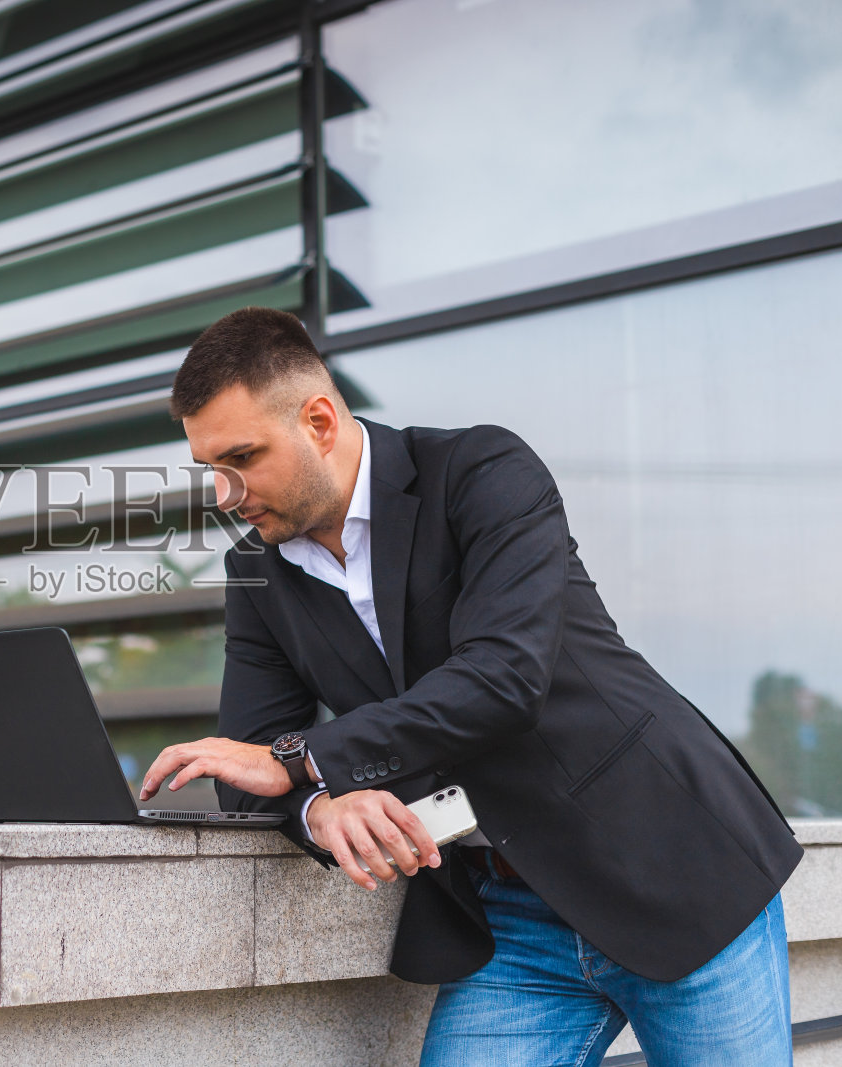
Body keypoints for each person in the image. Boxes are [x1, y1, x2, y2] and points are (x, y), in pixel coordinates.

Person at [138, 307, 801, 1066]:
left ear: (319, 420)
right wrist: (321, 805)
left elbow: (502, 679)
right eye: (210, 468)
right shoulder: (255, 572)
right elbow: (253, 764)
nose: (227, 493)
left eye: (242, 458)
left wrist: (302, 759)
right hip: (507, 917)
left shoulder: (484, 474)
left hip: (671, 865)